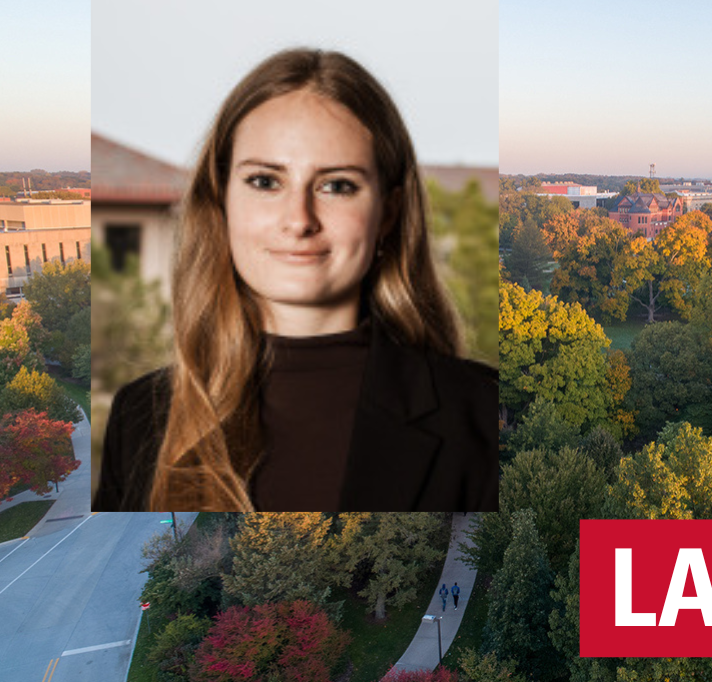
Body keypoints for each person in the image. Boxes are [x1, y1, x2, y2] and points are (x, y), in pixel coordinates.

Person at [95, 49, 499, 513]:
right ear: (222, 198)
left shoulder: (486, 416)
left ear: (387, 212)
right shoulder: (141, 418)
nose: (299, 220)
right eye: (266, 181)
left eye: (337, 185)